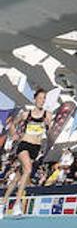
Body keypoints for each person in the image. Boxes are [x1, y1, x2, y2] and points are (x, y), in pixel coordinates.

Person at [1, 89, 50, 217]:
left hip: (36, 148)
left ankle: (2, 203)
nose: (42, 100)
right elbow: (11, 124)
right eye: (40, 98)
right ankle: (17, 205)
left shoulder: (47, 114)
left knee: (18, 177)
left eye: (44, 98)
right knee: (28, 170)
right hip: (24, 145)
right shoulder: (26, 114)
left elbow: (48, 131)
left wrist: (47, 126)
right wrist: (14, 135)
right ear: (35, 99)